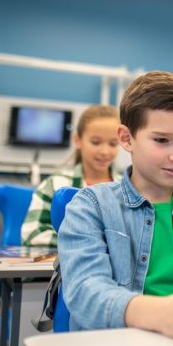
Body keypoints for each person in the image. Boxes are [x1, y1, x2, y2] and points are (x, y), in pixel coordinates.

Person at [57, 71, 173, 343]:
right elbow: (86, 293)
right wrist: (160, 313)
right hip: (122, 341)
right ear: (126, 138)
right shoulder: (90, 206)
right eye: (161, 140)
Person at [21, 105, 121, 246]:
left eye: (113, 143)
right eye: (96, 142)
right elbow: (32, 234)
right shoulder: (55, 185)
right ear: (77, 140)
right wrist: (87, 243)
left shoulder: (128, 189)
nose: (105, 151)